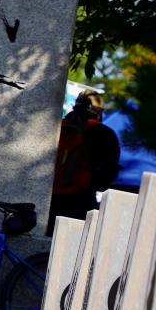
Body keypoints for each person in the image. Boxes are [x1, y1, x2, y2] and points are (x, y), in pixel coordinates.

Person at [46, 90, 121, 235]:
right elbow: (108, 174)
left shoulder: (56, 126)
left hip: (49, 198)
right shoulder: (104, 133)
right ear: (98, 111)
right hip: (81, 200)